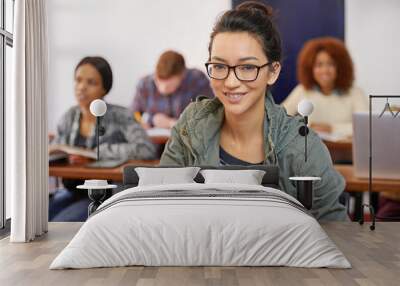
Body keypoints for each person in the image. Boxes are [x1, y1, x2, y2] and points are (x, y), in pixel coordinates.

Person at [160, 1, 347, 221]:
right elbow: (162, 206)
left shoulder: (302, 146)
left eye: (247, 67)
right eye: (219, 66)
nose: (230, 82)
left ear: (272, 72)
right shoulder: (190, 126)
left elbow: (336, 230)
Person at [50, 56, 156, 221]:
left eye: (91, 82)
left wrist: (95, 154)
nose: (81, 87)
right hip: (73, 190)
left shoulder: (121, 116)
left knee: (58, 223)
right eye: (78, 80)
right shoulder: (69, 116)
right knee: (40, 217)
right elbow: (57, 148)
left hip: (105, 195)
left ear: (104, 89)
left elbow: (146, 149)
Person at [283, 37, 368, 138]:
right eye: (319, 65)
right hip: (311, 151)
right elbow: (279, 120)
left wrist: (331, 128)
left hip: (345, 151)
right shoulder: (302, 91)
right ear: (310, 69)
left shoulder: (355, 93)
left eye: (331, 64)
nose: (325, 70)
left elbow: (366, 127)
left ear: (340, 67)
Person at [131, 50, 214, 129]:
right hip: (154, 140)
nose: (162, 89)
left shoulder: (197, 80)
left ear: (182, 75)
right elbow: (134, 113)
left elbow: (211, 115)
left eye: (168, 86)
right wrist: (142, 123)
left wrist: (171, 123)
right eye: (158, 82)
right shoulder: (144, 84)